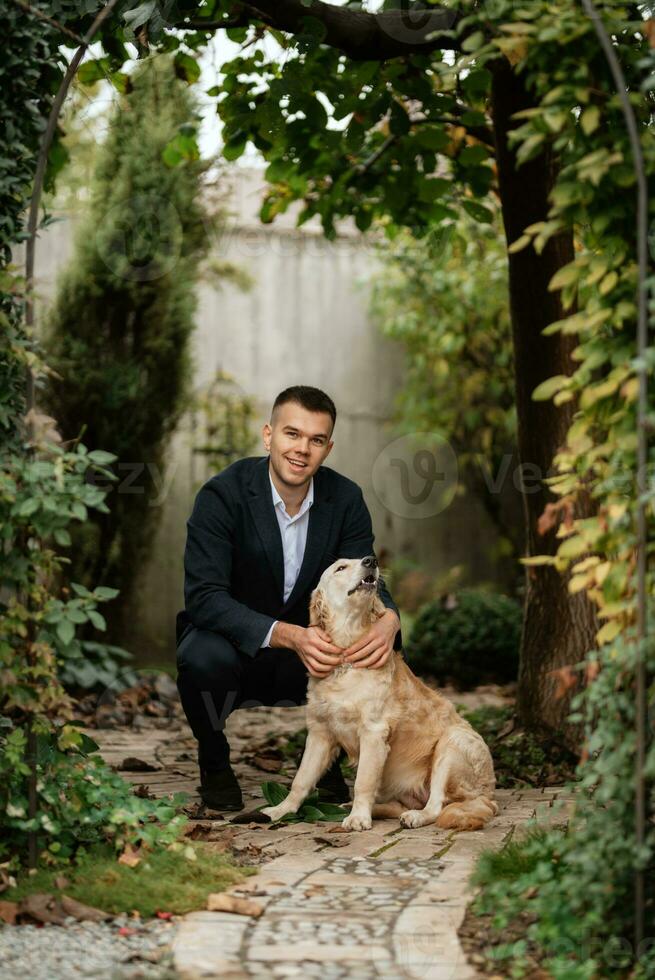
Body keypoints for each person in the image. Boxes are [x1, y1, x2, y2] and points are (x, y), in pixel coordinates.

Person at [175, 385, 402, 810]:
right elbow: (204, 596)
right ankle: (214, 759)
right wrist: (286, 634)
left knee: (383, 638)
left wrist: (391, 617)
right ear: (268, 436)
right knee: (200, 656)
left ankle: (331, 756)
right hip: (238, 648)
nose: (302, 449)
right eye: (291, 434)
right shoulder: (222, 496)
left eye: (316, 440)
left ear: (328, 447)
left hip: (314, 655)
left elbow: (364, 578)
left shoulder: (345, 499)